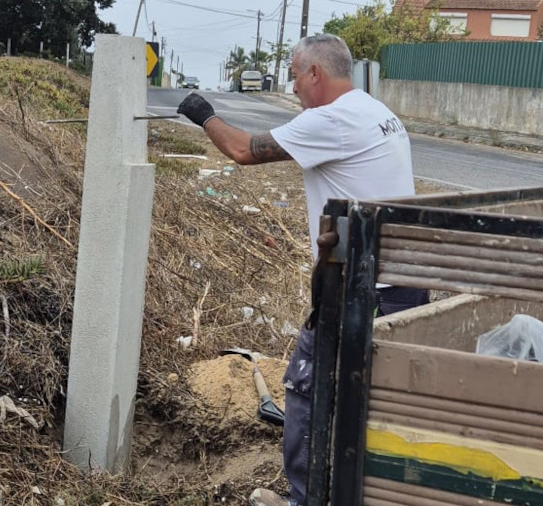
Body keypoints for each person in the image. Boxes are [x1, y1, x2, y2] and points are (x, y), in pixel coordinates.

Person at [176, 34, 429, 506]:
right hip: (404, 286)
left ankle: (304, 498)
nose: (292, 86)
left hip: (363, 292)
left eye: (294, 74)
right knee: (371, 406)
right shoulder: (377, 112)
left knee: (307, 388)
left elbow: (244, 150)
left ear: (316, 73)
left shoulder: (330, 120)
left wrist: (203, 113)